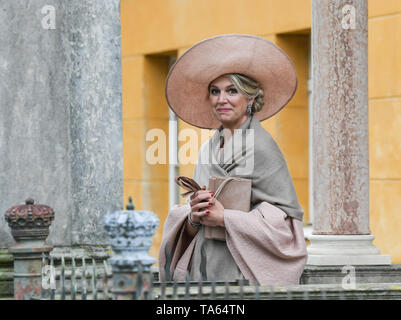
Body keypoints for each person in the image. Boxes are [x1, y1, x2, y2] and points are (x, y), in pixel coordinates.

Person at [159, 34, 308, 285]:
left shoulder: (262, 148)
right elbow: (195, 218)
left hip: (241, 271)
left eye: (232, 91)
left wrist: (226, 218)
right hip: (202, 268)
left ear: (250, 98)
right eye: (215, 91)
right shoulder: (208, 148)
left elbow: (286, 223)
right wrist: (194, 216)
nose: (221, 100)